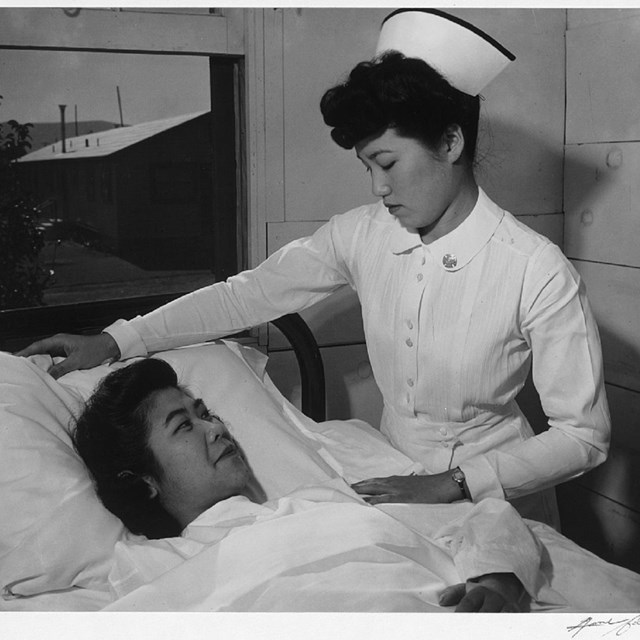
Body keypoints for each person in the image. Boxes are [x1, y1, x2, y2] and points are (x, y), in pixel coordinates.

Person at [19, 10, 610, 528]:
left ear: (451, 142)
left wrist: (456, 484)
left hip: (504, 500)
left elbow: (583, 436)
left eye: (387, 162)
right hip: (391, 481)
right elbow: (243, 297)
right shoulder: (363, 235)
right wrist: (114, 339)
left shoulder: (536, 269)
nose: (379, 187)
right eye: (367, 167)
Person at [74, 356, 530, 612]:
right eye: (183, 426)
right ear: (144, 481)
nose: (215, 428)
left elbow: (480, 518)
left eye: (205, 413)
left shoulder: (322, 498)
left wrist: (498, 579)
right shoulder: (152, 566)